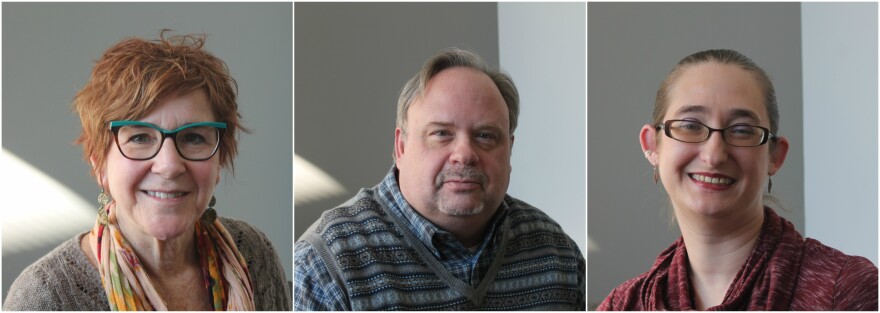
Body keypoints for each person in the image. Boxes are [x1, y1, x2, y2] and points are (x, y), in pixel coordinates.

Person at [3, 31, 291, 311]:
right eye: (140, 137)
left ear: (220, 158)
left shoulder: (254, 255)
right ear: (98, 159)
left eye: (193, 138)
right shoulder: (45, 298)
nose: (169, 166)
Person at [294, 48, 585, 310]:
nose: (464, 154)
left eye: (485, 136)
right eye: (442, 133)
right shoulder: (326, 264)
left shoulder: (558, 255)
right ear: (401, 147)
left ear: (509, 149)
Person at [598, 49, 878, 310]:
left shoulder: (846, 290)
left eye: (742, 130)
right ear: (653, 145)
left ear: (775, 156)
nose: (714, 155)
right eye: (690, 126)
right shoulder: (623, 304)